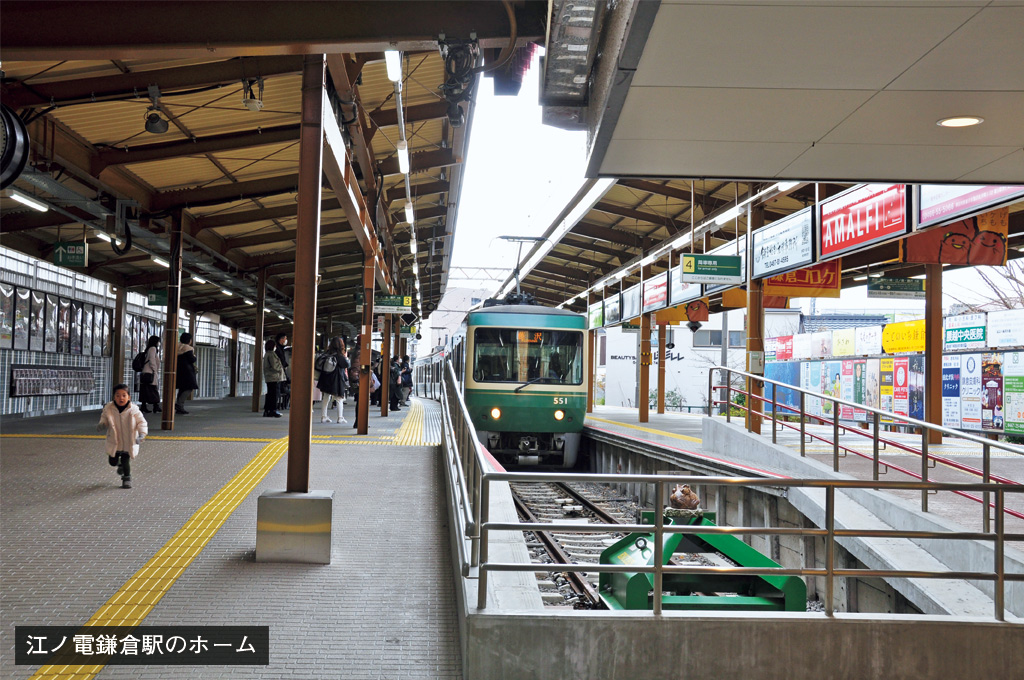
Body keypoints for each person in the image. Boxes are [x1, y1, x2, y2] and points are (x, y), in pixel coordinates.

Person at [97, 383, 148, 489]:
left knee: (126, 460)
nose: (121, 398)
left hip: (128, 440)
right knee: (112, 461)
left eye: (124, 395)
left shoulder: (133, 410)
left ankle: (127, 479)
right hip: (114, 440)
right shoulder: (109, 408)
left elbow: (141, 422)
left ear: (129, 397)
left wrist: (142, 434)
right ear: (114, 397)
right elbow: (104, 418)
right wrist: (102, 424)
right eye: (118, 395)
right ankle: (119, 465)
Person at [316, 337, 350, 424]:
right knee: (339, 398)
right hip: (336, 379)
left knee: (326, 398)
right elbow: (346, 364)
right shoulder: (339, 356)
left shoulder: (327, 353)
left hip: (326, 378)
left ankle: (323, 417)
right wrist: (346, 357)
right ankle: (340, 418)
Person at [175, 332, 199, 415]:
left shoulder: (177, 347)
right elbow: (192, 359)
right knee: (190, 387)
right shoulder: (188, 348)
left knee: (182, 388)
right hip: (187, 371)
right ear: (189, 340)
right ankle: (179, 404)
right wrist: (194, 357)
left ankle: (179, 407)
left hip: (178, 370)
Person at [139, 335, 162, 413]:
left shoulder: (148, 349)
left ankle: (144, 406)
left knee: (145, 390)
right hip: (150, 372)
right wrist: (155, 369)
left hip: (146, 372)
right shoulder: (153, 349)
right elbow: (152, 359)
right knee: (153, 390)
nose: (159, 343)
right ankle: (156, 406)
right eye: (158, 341)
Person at [262, 338, 284, 418]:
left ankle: (267, 410)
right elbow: (275, 366)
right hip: (274, 377)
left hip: (269, 377)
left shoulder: (267, 354)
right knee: (274, 394)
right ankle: (273, 410)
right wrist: (281, 368)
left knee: (270, 394)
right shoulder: (271, 354)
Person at [274, 332, 290, 410]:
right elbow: (279, 361)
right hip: (279, 373)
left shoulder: (280, 348)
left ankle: (282, 405)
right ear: (281, 339)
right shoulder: (277, 349)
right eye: (285, 338)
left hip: (281, 373)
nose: (286, 340)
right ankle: (280, 406)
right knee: (280, 390)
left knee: (280, 390)